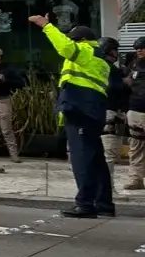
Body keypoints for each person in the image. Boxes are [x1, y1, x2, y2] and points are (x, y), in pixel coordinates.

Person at [28, 15, 113, 218]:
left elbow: (65, 47)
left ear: (79, 40)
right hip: (90, 111)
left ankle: (85, 204)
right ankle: (104, 204)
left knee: (82, 159)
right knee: (95, 160)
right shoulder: (98, 57)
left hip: (81, 112)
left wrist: (47, 26)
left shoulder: (86, 51)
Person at [97, 37, 128, 189]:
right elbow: (116, 89)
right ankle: (107, 189)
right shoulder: (111, 70)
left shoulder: (96, 66)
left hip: (99, 112)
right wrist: (125, 81)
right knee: (109, 154)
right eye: (115, 50)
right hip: (110, 113)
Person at [121, 36, 145, 190]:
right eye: (137, 48)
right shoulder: (133, 65)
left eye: (142, 47)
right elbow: (127, 84)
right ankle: (136, 179)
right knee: (136, 146)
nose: (139, 50)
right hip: (136, 110)